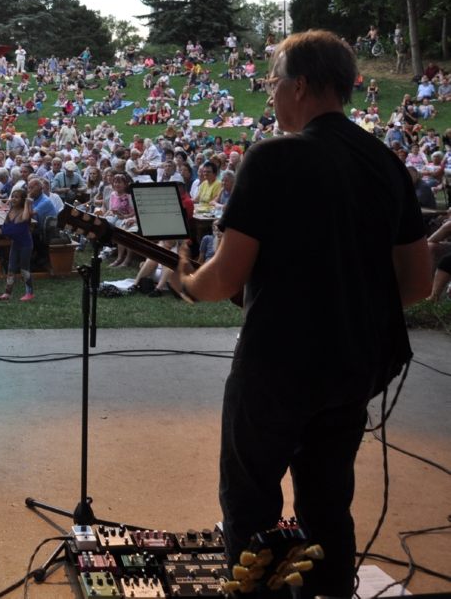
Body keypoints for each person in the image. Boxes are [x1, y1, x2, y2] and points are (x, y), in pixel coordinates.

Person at [175, 30, 431, 597]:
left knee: (251, 501)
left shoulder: (274, 158)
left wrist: (187, 282)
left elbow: (225, 279)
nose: (270, 96)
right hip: (353, 371)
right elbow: (417, 285)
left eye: (273, 83)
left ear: (303, 86)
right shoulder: (386, 164)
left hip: (276, 368)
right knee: (327, 504)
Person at [0, 187, 35, 302]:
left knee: (24, 269)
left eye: (16, 197)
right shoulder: (11, 210)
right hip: (15, 244)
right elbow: (6, 225)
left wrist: (27, 204)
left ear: (22, 199)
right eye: (12, 196)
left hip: (26, 244)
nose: (13, 199)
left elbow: (26, 217)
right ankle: (7, 293)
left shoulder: (25, 210)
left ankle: (29, 293)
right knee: (11, 268)